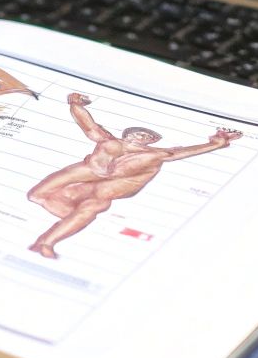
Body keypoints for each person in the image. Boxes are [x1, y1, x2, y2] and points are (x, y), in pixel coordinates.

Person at [25, 93, 241, 259]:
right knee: (36, 195)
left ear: (151, 141)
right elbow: (88, 125)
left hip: (106, 189)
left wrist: (216, 143)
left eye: (148, 136)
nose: (142, 136)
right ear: (127, 134)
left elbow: (176, 154)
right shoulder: (109, 141)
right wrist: (75, 104)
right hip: (84, 174)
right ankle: (65, 224)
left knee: (90, 209)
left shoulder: (152, 154)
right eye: (138, 132)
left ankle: (46, 243)